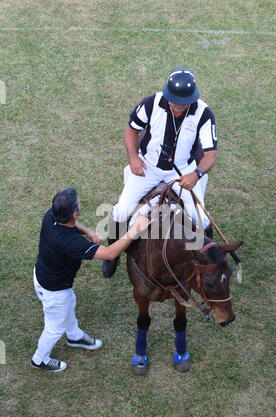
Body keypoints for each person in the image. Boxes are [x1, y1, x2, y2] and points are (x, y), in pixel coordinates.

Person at [102, 66, 218, 278]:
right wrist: (133, 157)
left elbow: (210, 153)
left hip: (183, 170)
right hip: (148, 167)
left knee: (203, 219)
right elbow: (131, 130)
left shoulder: (204, 113)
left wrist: (196, 175)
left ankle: (211, 258)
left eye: (183, 103)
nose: (177, 106)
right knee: (120, 211)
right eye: (174, 101)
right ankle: (113, 256)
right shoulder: (151, 103)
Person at [31, 188, 150, 372]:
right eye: (78, 204)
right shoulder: (72, 243)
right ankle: (40, 359)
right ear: (75, 213)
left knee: (69, 302)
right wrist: (135, 229)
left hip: (42, 276)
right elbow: (111, 254)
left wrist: (89, 231)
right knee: (54, 328)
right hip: (54, 290)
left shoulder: (51, 215)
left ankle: (74, 336)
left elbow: (72, 225)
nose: (80, 203)